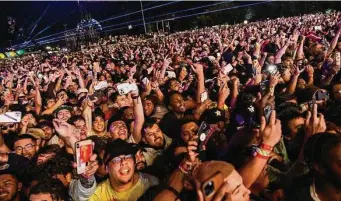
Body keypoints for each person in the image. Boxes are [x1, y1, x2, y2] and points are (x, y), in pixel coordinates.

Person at [89, 139, 159, 201]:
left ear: (134, 163)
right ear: (107, 169)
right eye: (116, 160)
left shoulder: (151, 184)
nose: (124, 162)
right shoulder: (98, 195)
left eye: (128, 157)